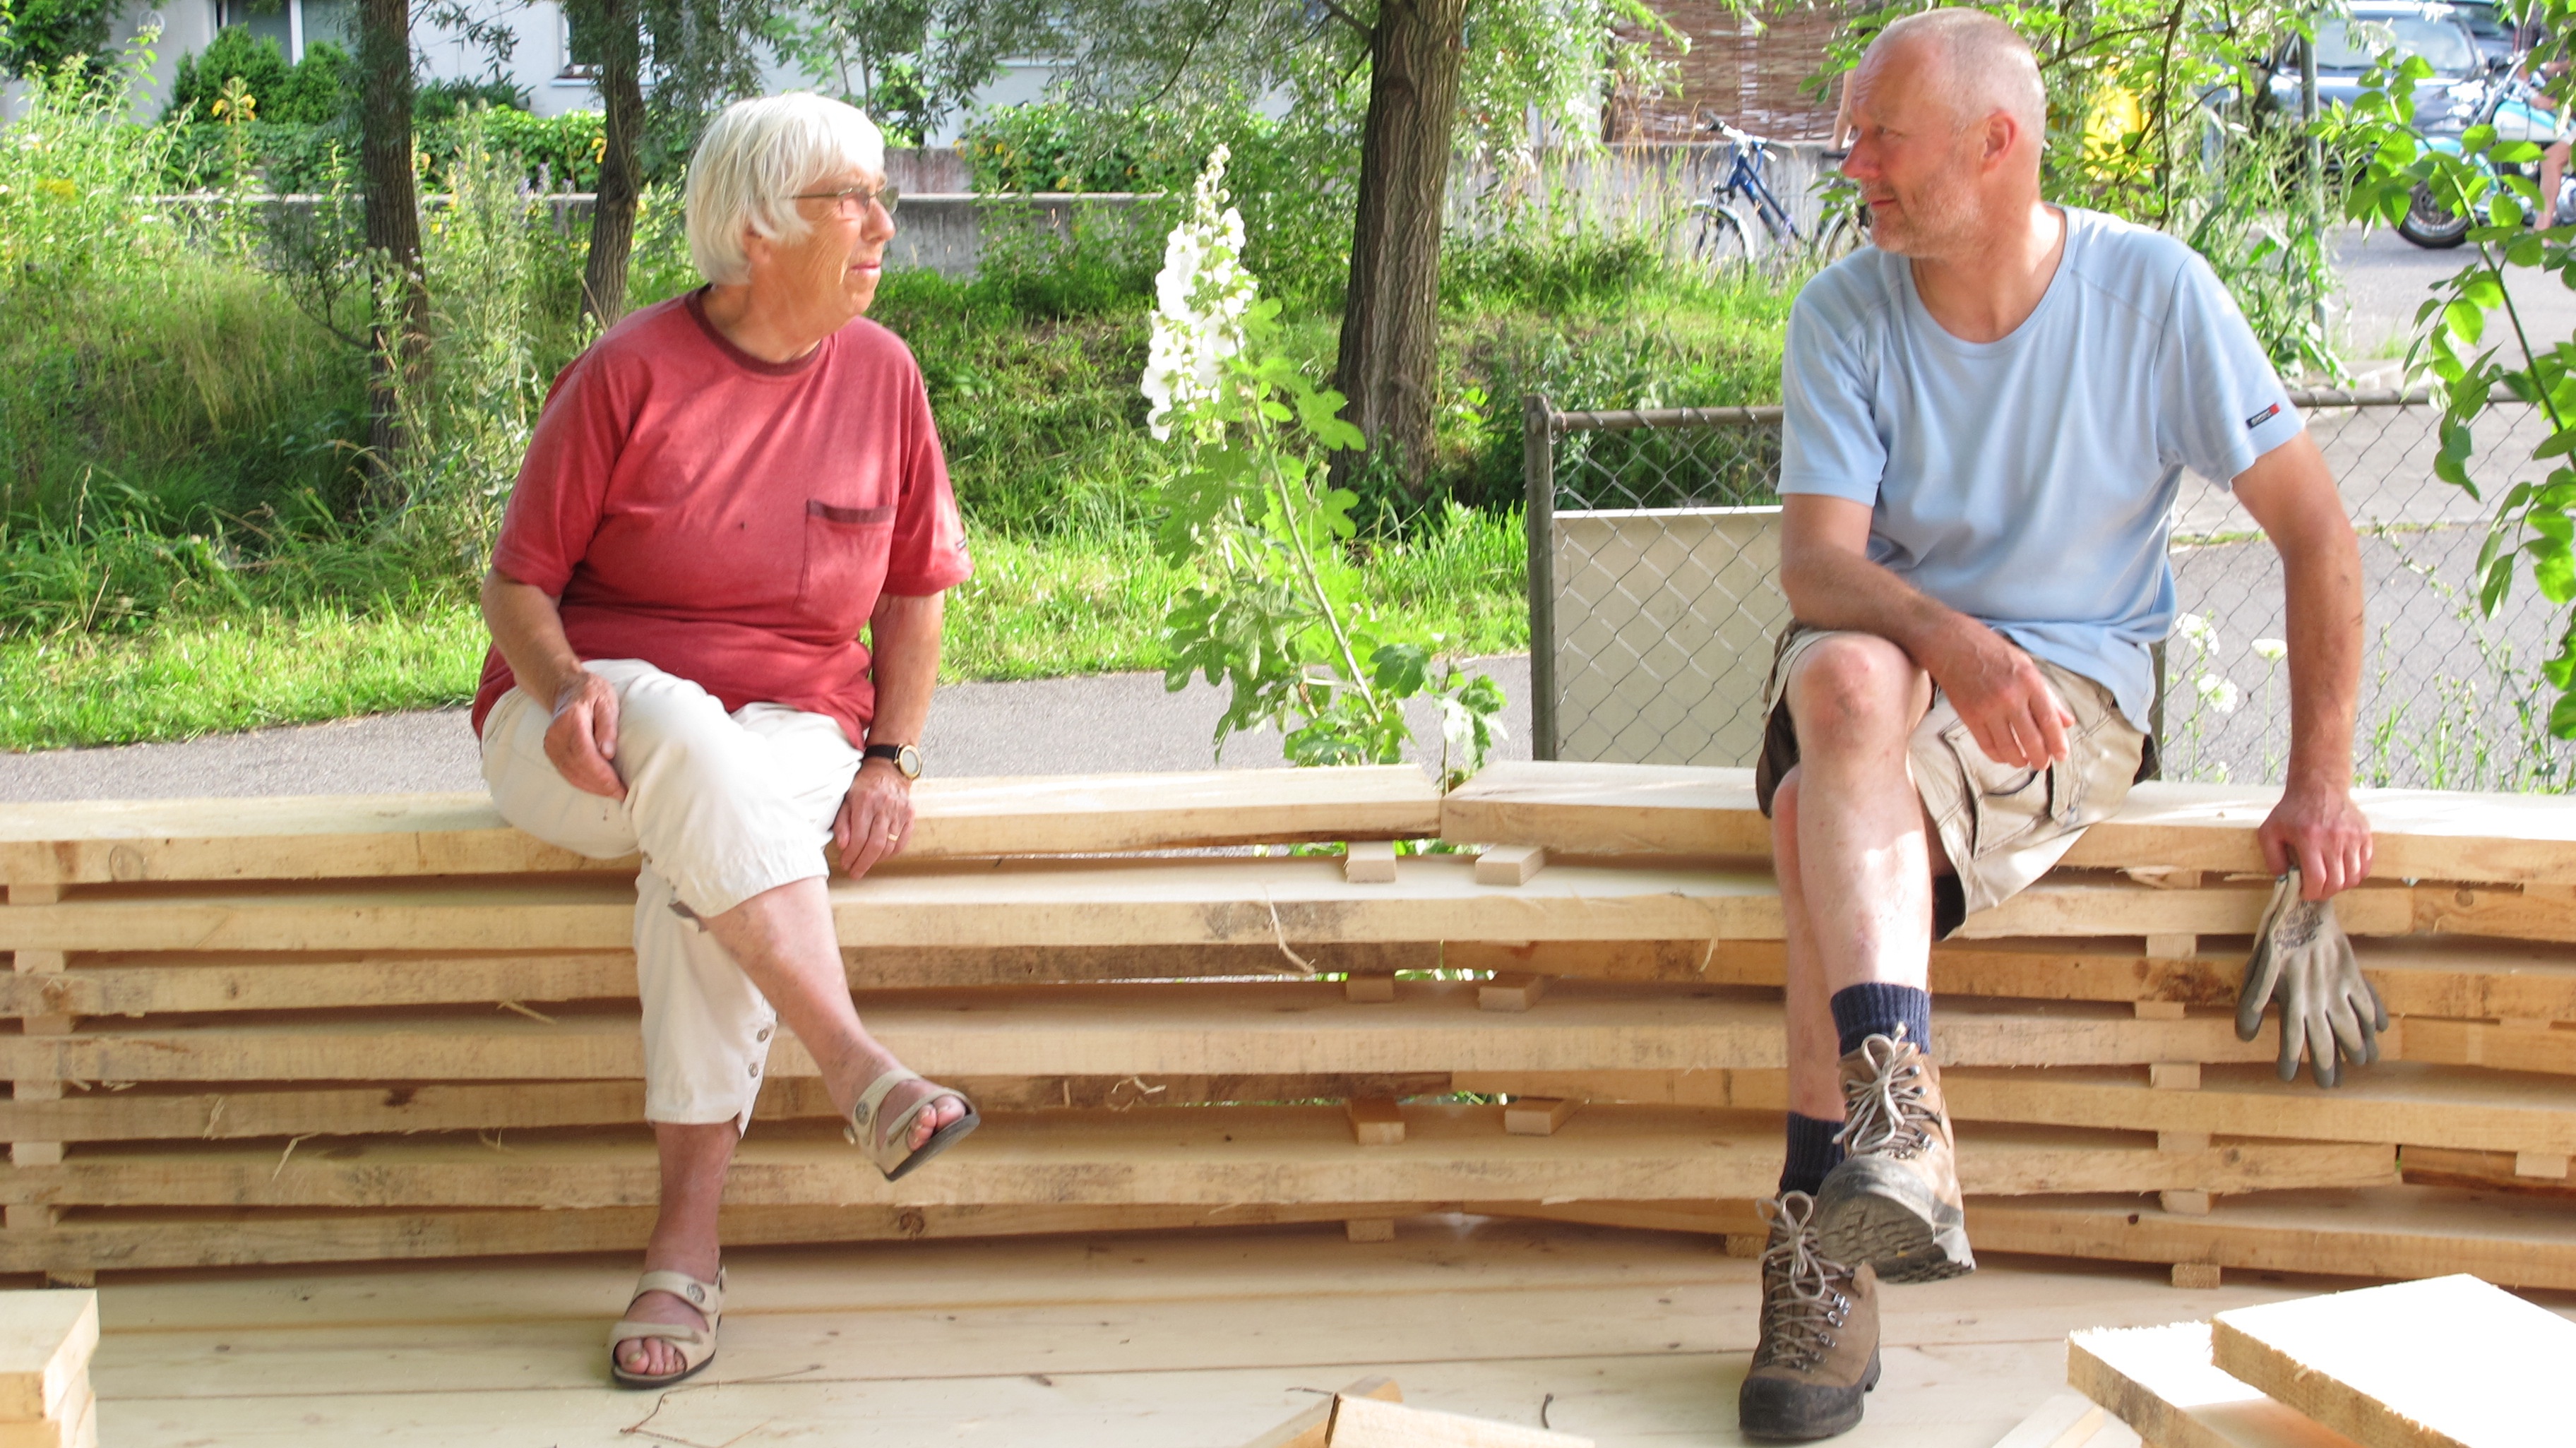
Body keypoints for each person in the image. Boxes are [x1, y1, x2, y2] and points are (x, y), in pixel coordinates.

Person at [1736, 12, 2372, 1440]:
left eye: (1879, 138)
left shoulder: (2157, 296)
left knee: (1802, 821)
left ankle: (1823, 1247)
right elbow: (1819, 568)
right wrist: (1952, 641)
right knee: (1841, 683)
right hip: (1892, 655)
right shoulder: (1846, 309)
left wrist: (2320, 786)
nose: (1854, 167)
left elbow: (2320, 533)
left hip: (2072, 685)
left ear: (1995, 144)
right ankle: (1903, 1125)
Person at [473, 92, 979, 1389]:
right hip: (582, 732)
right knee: (690, 745)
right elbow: (516, 583)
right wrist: (569, 684)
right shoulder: (628, 373)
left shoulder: (885, 376)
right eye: (851, 200)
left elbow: (914, 587)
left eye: (883, 196)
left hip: (797, 731)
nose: (883, 224)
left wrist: (892, 756)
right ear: (757, 230)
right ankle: (854, 1061)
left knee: (711, 838)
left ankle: (684, 1249)